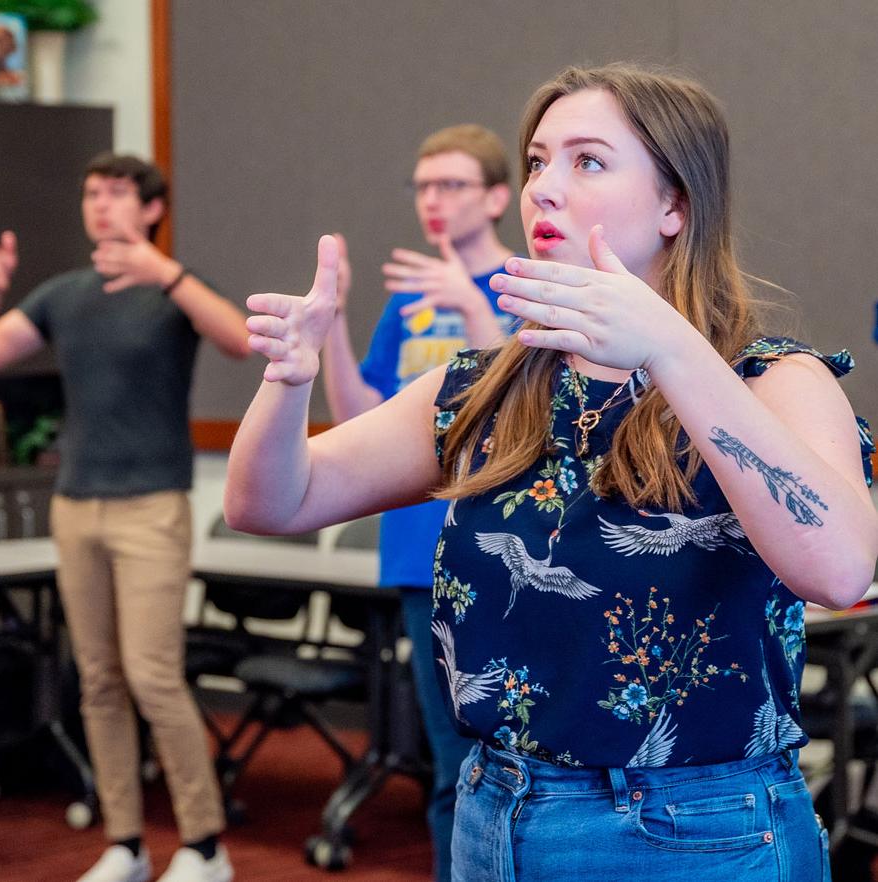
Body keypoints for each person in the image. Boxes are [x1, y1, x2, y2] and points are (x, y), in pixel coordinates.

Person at [224, 64, 878, 882]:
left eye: (588, 161)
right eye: (537, 162)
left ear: (677, 205)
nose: (544, 189)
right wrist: (288, 383)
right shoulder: (487, 387)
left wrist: (671, 346)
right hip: (497, 813)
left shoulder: (774, 380)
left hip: (699, 832)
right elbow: (271, 501)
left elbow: (840, 566)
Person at [0, 153, 249, 882]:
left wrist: (163, 273)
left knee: (152, 675)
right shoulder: (64, 294)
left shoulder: (174, 291)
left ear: (150, 209)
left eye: (115, 194)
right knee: (98, 679)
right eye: (90, 194)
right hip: (77, 507)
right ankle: (125, 842)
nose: (99, 206)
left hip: (151, 508)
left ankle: (204, 845)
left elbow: (238, 339)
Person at [321, 123, 515, 882]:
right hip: (417, 555)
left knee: (515, 766)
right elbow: (358, 417)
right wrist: (333, 320)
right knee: (453, 767)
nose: (433, 201)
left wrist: (472, 307)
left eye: (452, 185)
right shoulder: (407, 303)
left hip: (505, 556)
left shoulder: (528, 283)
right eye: (423, 186)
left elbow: (524, 409)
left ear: (498, 196)